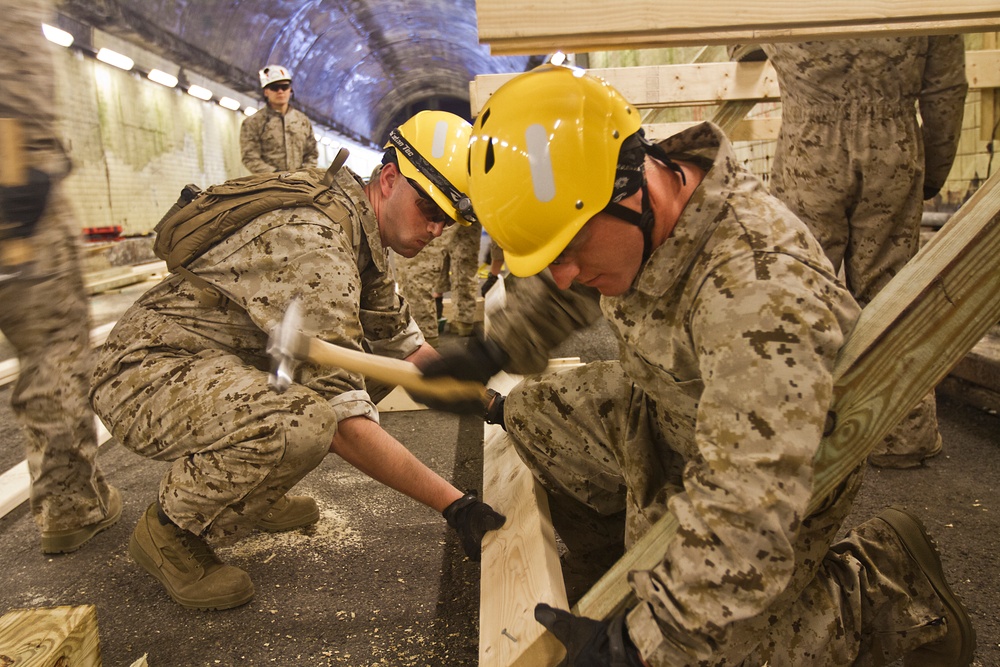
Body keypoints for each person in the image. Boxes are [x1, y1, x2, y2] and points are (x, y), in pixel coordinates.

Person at [419, 64, 975, 666]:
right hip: (671, 411)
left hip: (769, 479)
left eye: (572, 250)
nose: (567, 274)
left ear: (633, 188)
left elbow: (749, 504)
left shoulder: (758, 290)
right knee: (534, 414)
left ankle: (877, 591)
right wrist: (497, 351)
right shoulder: (628, 207)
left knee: (706, 643)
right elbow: (569, 271)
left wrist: (648, 643)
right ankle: (629, 582)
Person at [90, 110, 503, 610]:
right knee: (307, 420)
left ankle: (256, 493)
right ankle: (170, 530)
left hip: (211, 359)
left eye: (449, 220)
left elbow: (403, 346)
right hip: (146, 373)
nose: (437, 230)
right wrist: (456, 505)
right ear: (390, 179)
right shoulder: (318, 247)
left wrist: (491, 404)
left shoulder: (361, 223)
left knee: (355, 375)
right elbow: (345, 423)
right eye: (430, 211)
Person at [760, 37, 968, 468]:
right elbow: (946, 87)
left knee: (795, 291)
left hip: (808, 144)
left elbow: (741, 33)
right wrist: (936, 169)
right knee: (893, 291)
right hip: (894, 145)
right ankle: (903, 434)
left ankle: (786, 434)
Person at [0, 0, 121, 555]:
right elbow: (14, 69)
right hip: (16, 180)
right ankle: (71, 506)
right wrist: (20, 177)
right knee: (54, 349)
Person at [240, 64, 319, 174]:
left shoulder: (302, 121)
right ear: (266, 91)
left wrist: (303, 174)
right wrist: (276, 174)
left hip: (301, 185)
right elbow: (250, 157)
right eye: (274, 88)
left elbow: (312, 153)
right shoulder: (253, 123)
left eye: (284, 87)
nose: (280, 91)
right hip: (269, 185)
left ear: (290, 89)